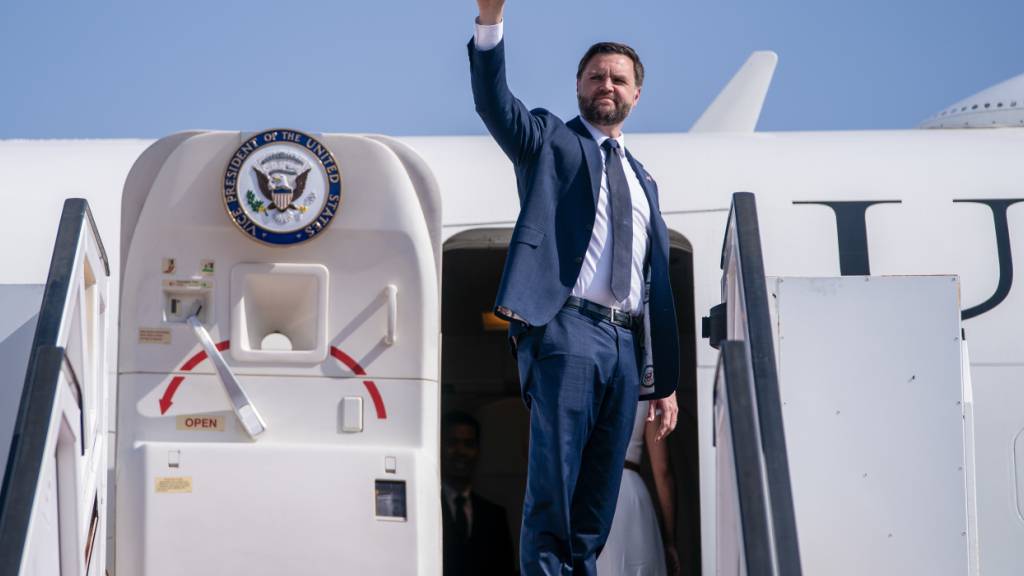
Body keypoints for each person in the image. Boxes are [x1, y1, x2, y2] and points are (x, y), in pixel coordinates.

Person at [468, 1, 681, 573]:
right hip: (569, 330)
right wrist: (490, 21)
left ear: (637, 95)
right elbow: (495, 104)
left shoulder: (645, 181)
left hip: (626, 348)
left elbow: (651, 285)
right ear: (579, 87)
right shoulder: (550, 142)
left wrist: (664, 383)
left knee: (595, 511)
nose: (606, 84)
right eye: (595, 76)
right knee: (554, 494)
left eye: (619, 78)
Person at [597, 402, 681, 576]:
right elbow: (662, 470)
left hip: (594, 496)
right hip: (632, 498)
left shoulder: (582, 380)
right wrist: (670, 539)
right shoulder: (647, 383)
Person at [441, 411, 516, 576]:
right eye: (452, 442)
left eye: (468, 444)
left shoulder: (495, 516)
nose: (460, 451)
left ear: (478, 450)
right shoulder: (426, 510)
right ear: (439, 447)